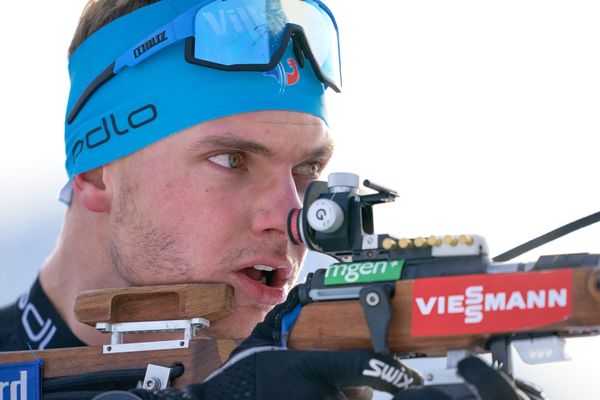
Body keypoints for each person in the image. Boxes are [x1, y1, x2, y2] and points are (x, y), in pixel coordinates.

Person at [0, 0, 537, 399]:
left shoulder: (309, 374)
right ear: (96, 174)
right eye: (232, 160)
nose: (290, 217)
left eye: (307, 169)